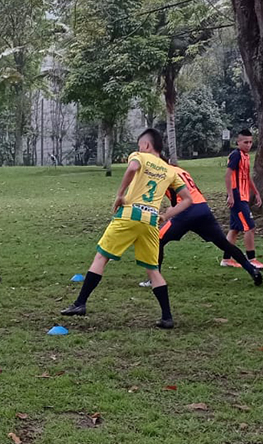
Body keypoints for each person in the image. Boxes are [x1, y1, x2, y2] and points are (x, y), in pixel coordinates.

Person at [61, 128, 194, 329]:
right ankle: (167, 317)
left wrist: (120, 194)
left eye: (140, 145)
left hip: (129, 215)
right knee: (152, 270)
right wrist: (165, 215)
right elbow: (188, 200)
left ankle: (80, 303)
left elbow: (132, 169)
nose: (138, 148)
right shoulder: (169, 170)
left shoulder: (140, 156)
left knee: (101, 257)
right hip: (150, 221)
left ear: (147, 145)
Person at [137, 162, 261, 288]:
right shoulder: (180, 170)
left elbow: (170, 197)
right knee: (224, 244)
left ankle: (154, 279)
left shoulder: (163, 173)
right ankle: (251, 270)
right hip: (202, 208)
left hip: (187, 211)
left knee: (157, 240)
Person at [222, 129, 263, 269]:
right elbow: (228, 175)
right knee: (250, 227)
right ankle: (251, 259)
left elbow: (247, 176)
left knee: (234, 229)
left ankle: (226, 259)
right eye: (245, 142)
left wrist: (256, 192)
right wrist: (230, 195)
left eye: (250, 142)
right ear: (238, 142)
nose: (248, 145)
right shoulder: (236, 155)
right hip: (237, 197)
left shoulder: (245, 156)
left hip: (243, 196)